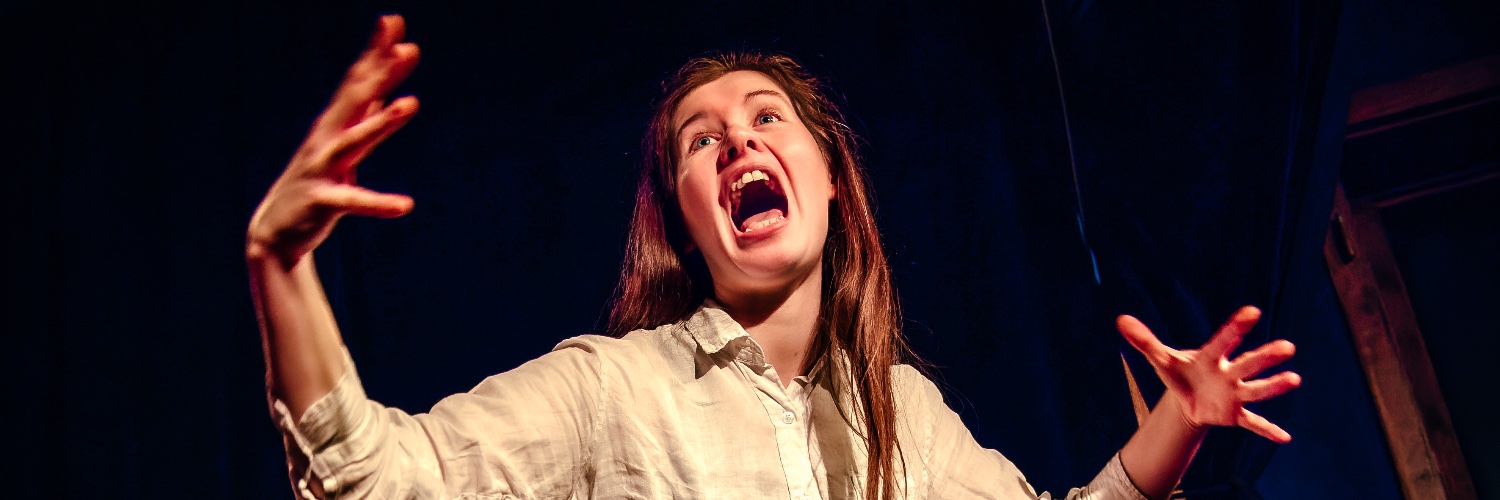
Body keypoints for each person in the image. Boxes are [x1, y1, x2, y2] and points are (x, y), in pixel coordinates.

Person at [248, 15, 1302, 499]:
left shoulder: (905, 417)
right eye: (701, 140)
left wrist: (1173, 430)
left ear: (832, 177)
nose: (739, 141)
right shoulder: (610, 387)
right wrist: (282, 265)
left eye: (766, 118)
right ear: (686, 216)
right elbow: (377, 479)